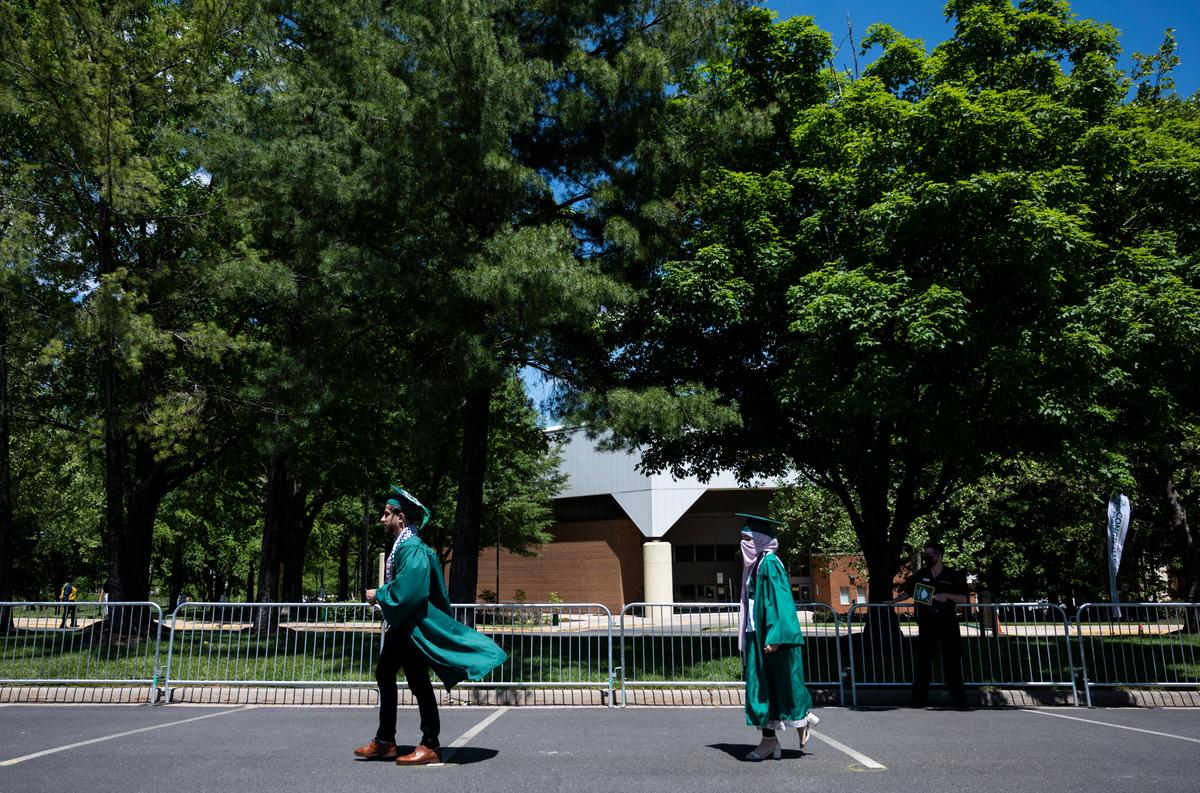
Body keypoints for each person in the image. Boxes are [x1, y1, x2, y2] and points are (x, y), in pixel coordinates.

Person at [354, 485, 507, 766]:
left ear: (400, 517)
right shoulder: (406, 546)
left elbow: (411, 591)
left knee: (412, 681)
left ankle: (428, 744)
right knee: (391, 675)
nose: (382, 519)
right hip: (404, 625)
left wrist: (380, 594)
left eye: (386, 514)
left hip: (411, 628)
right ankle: (387, 741)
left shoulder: (411, 548)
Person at [737, 513, 819, 761]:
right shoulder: (757, 564)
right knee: (764, 690)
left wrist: (774, 636)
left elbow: (779, 603)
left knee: (771, 689)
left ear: (760, 540)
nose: (743, 544)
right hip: (757, 634)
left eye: (747, 539)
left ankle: (787, 727)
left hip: (770, 638)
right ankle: (776, 735)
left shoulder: (770, 564)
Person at [891, 541, 970, 709]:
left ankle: (960, 700)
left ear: (939, 555)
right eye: (925, 555)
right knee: (923, 661)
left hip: (947, 622)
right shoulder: (921, 574)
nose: (927, 558)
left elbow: (963, 599)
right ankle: (919, 699)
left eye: (930, 555)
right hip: (927, 623)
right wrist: (893, 602)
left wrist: (946, 595)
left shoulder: (952, 575)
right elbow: (908, 592)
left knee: (952, 661)